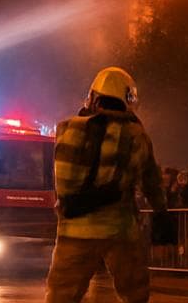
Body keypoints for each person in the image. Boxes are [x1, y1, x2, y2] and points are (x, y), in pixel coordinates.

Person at [46, 66, 170, 303]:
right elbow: (151, 180)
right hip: (119, 231)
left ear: (93, 97)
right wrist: (161, 211)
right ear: (127, 101)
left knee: (60, 297)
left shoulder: (66, 130)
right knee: (135, 293)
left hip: (73, 232)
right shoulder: (136, 135)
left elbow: (62, 184)